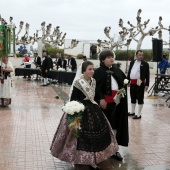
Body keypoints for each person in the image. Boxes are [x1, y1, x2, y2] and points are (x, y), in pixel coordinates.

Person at [50, 61, 118, 170]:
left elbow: (94, 97)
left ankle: (93, 159)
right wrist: (75, 111)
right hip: (80, 110)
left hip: (94, 110)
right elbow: (73, 99)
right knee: (79, 137)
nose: (92, 71)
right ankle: (80, 159)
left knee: (96, 136)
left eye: (93, 69)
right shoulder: (78, 83)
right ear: (83, 71)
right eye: (89, 69)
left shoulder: (94, 81)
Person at [93, 50, 129, 161]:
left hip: (117, 104)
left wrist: (121, 93)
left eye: (112, 57)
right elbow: (95, 87)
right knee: (103, 125)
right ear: (103, 60)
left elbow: (123, 85)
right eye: (108, 57)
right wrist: (100, 99)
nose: (111, 59)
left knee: (115, 125)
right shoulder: (98, 72)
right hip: (104, 104)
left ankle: (113, 149)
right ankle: (101, 149)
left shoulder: (118, 71)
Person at [127, 50, 150, 119]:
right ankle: (132, 111)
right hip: (132, 83)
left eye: (142, 55)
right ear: (136, 55)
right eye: (140, 55)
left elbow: (147, 75)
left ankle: (139, 114)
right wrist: (128, 81)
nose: (141, 56)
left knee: (140, 98)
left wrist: (147, 84)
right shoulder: (132, 62)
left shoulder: (145, 64)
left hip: (140, 83)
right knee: (132, 97)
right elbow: (129, 72)